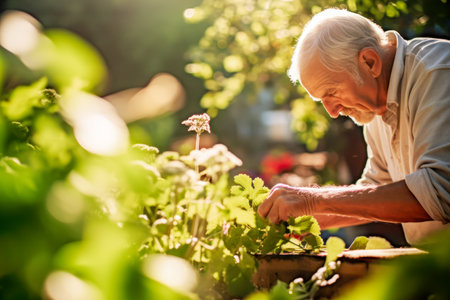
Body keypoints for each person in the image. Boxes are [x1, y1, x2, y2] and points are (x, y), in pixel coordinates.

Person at [258, 8, 450, 245]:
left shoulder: (437, 73)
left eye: (332, 93)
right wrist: (299, 217)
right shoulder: (375, 105)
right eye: (322, 101)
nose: (332, 112)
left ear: (370, 62)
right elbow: (377, 190)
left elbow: (439, 193)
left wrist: (313, 200)